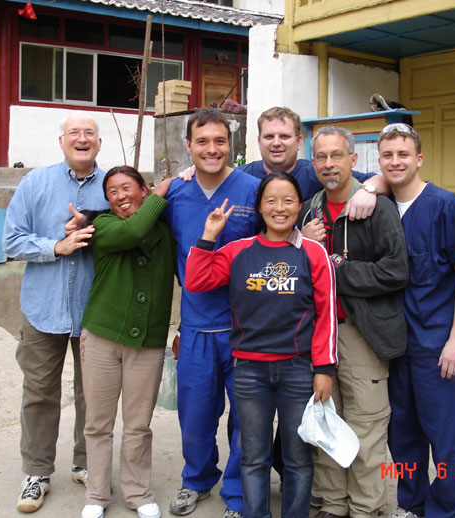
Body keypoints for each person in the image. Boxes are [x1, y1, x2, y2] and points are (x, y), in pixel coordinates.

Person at [185, 171, 337, 518]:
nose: (279, 208)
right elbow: (196, 279)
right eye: (271, 200)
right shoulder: (239, 251)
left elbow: (326, 315)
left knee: (298, 458)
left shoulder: (313, 254)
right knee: (253, 457)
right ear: (259, 207)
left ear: (300, 206)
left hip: (299, 370)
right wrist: (209, 236)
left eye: (288, 201)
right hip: (249, 371)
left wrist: (324, 369)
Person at [298, 126, 409, 518]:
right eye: (321, 157)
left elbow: (396, 271)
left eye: (336, 156)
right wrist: (302, 245)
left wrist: (336, 270)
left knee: (366, 425)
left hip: (362, 332)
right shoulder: (310, 208)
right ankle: (332, 504)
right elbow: (299, 273)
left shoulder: (377, 208)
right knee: (326, 421)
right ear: (313, 164)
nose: (329, 165)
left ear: (353, 160)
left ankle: (365, 507)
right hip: (319, 335)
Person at [2, 112, 107, 513]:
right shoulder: (35, 183)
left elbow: (133, 222)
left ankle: (86, 463)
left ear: (99, 143)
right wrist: (55, 246)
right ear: (61, 141)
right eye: (74, 133)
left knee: (92, 395)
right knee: (39, 392)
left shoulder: (112, 185)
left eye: (89, 134)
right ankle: (37, 473)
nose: (82, 139)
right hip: (42, 308)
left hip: (93, 309)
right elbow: (11, 240)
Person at [377, 123, 455, 518]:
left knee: (446, 436)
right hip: (396, 344)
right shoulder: (383, 209)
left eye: (403, 154)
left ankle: (443, 510)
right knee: (402, 435)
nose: (396, 161)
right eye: (388, 155)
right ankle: (411, 504)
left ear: (419, 159)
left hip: (437, 345)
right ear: (380, 162)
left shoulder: (445, 206)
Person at [163, 108, 260, 518]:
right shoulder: (174, 194)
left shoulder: (252, 189)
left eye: (220, 141)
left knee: (248, 419)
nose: (212, 149)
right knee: (196, 414)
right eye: (202, 142)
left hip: (245, 327)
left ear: (232, 146)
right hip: (197, 326)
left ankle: (237, 495)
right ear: (188, 146)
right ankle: (197, 479)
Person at [72, 166, 176, 518]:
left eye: (127, 188)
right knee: (98, 423)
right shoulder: (102, 227)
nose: (120, 196)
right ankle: (96, 496)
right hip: (101, 337)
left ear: (142, 190)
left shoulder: (166, 229)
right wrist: (160, 194)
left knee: (138, 424)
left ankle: (137, 491)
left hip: (147, 342)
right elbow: (133, 232)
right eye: (112, 191)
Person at [240, 106, 386, 219]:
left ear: (299, 142)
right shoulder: (241, 178)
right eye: (269, 136)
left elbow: (382, 180)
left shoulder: (318, 172)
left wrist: (367, 191)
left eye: (284, 136)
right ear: (259, 142)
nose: (276, 143)